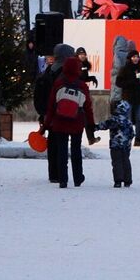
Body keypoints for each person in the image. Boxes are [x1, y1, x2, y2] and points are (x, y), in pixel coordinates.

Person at [42, 55, 99, 186]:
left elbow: (51, 106)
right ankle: (78, 178)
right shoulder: (82, 86)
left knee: (61, 151)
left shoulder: (58, 84)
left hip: (59, 122)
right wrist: (90, 124)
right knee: (76, 150)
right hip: (76, 122)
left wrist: (46, 125)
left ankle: (63, 180)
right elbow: (88, 108)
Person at [34, 43, 76, 182]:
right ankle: (60, 174)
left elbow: (39, 96)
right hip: (62, 113)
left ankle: (53, 174)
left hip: (48, 114)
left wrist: (43, 113)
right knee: (61, 144)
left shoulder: (47, 72)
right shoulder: (65, 74)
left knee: (52, 143)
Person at [101, 90, 137, 186]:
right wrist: (129, 142)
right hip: (126, 146)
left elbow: (104, 125)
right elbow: (132, 133)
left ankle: (118, 180)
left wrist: (95, 127)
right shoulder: (128, 121)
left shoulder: (115, 119)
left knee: (117, 162)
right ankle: (127, 180)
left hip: (115, 145)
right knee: (126, 161)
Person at [116, 49, 140, 146]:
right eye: (133, 57)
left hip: (138, 98)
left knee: (139, 119)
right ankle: (127, 138)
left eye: (137, 57)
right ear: (129, 58)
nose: (135, 59)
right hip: (127, 98)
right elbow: (118, 82)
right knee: (128, 119)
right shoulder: (124, 69)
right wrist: (130, 82)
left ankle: (137, 139)